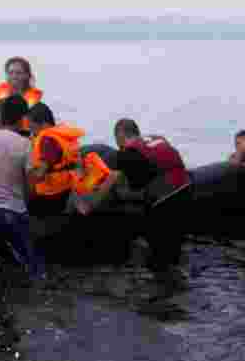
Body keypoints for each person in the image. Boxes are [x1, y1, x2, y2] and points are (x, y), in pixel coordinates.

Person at [82, 118, 191, 280]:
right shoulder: (157, 138)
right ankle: (178, 275)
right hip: (187, 187)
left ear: (120, 135)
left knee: (158, 256)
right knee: (174, 246)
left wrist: (88, 205)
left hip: (166, 198)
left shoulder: (127, 153)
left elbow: (110, 178)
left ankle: (161, 288)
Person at [0, 95, 39, 279]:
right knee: (33, 267)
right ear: (23, 118)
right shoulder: (25, 144)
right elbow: (31, 187)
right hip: (14, 213)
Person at [0, 57, 44, 135]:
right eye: (10, 73)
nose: (14, 76)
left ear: (27, 75)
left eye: (18, 73)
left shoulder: (36, 103)